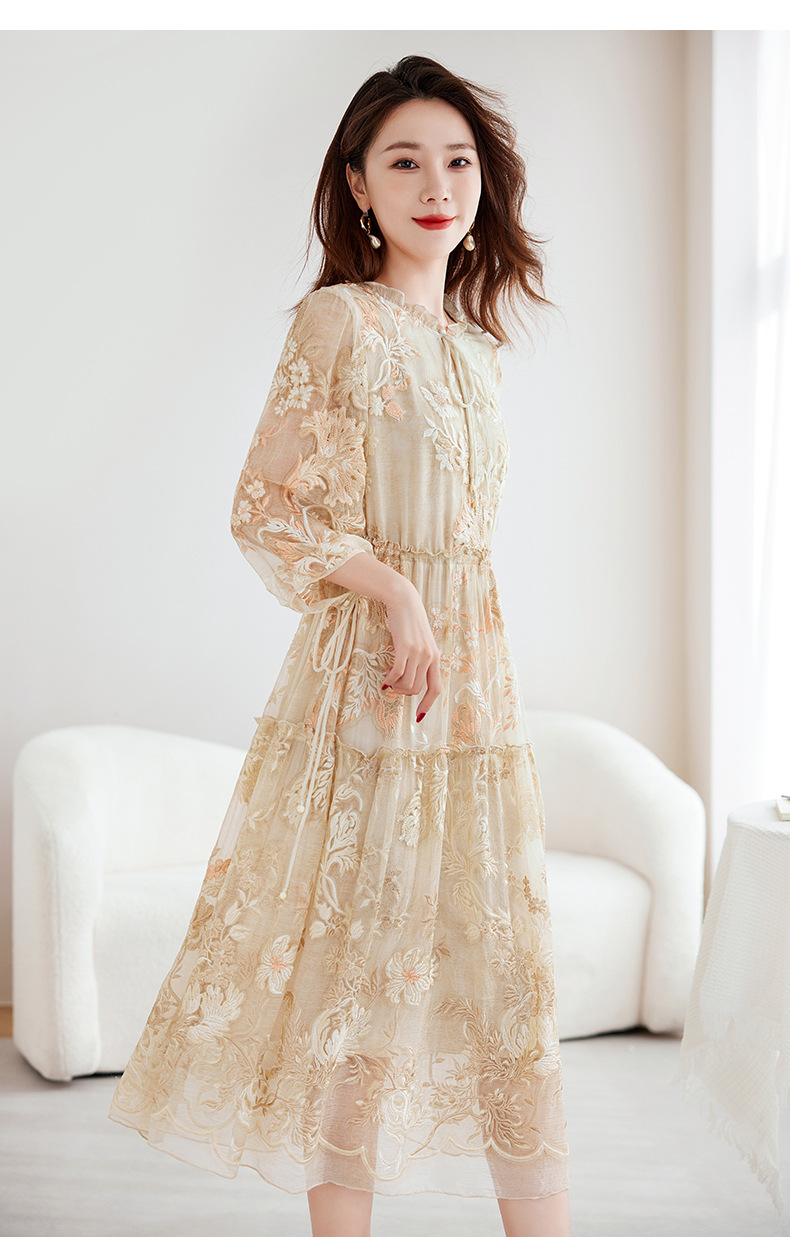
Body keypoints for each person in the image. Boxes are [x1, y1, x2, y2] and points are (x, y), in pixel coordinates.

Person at [107, 53, 572, 1237]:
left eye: (456, 161)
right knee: (357, 990)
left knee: (507, 987)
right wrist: (394, 591)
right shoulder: (339, 322)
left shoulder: (479, 349)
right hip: (370, 682)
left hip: (476, 689)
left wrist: (436, 604)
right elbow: (264, 507)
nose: (437, 185)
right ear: (357, 185)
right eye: (404, 161)